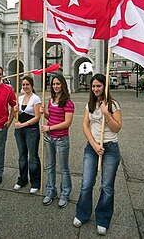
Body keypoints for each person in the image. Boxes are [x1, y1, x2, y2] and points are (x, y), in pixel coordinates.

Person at [73, 73, 122, 236]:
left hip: (110, 148)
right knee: (86, 183)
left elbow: (117, 128)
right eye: (93, 86)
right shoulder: (89, 105)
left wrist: (106, 113)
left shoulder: (113, 105)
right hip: (92, 147)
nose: (95, 89)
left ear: (104, 86)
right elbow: (85, 126)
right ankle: (82, 214)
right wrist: (94, 145)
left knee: (106, 186)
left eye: (98, 86)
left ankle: (103, 218)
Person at [41, 74, 75, 208]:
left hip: (61, 138)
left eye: (58, 84)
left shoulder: (68, 102)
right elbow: (52, 117)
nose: (55, 86)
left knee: (63, 168)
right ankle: (50, 191)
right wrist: (44, 113)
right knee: (49, 166)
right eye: (53, 84)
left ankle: (65, 193)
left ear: (63, 85)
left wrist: (49, 127)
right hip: (48, 137)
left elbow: (67, 123)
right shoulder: (51, 100)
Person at [14, 76, 41, 194]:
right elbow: (16, 116)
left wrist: (24, 124)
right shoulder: (19, 98)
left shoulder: (36, 98)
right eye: (23, 84)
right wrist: (15, 111)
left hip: (32, 130)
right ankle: (22, 179)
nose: (25, 87)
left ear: (32, 85)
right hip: (19, 131)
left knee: (33, 157)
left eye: (27, 84)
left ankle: (35, 182)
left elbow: (37, 117)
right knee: (22, 156)